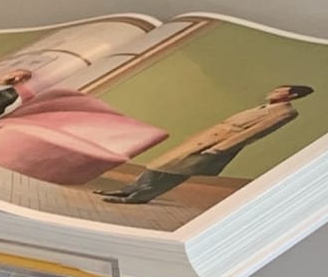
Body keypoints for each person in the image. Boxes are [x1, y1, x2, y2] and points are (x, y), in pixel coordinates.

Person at [100, 84, 313, 204]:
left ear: (291, 95)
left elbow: (253, 133)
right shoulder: (263, 107)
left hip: (216, 145)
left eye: (280, 90)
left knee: (175, 172)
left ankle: (138, 196)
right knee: (158, 165)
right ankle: (129, 190)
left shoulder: (285, 112)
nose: (273, 91)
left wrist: (220, 149)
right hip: (204, 140)